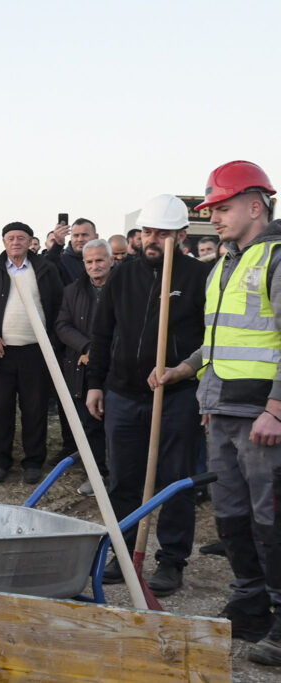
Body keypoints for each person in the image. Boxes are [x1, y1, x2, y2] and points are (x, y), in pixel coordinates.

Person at [155, 161, 281, 663]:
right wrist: (185, 373)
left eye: (223, 208)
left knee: (271, 519)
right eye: (212, 211)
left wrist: (277, 407)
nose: (215, 219)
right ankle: (251, 600)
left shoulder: (274, 258)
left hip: (262, 416)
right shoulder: (226, 263)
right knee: (231, 516)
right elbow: (217, 341)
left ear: (256, 205)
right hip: (223, 409)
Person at [86, 194, 208, 597]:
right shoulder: (124, 276)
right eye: (148, 232)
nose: (153, 240)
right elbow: (102, 333)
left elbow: (211, 340)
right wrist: (96, 384)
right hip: (123, 392)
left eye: (163, 234)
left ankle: (171, 560)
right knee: (124, 478)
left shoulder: (197, 278)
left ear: (182, 235)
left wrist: (187, 376)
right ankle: (122, 553)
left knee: (174, 480)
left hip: (176, 395)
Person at [0, 222, 63, 484]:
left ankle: (33, 461)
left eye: (21, 238)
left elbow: (58, 306)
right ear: (3, 242)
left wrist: (51, 342)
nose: (16, 242)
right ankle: (0, 460)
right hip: (0, 352)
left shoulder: (45, 269)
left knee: (35, 409)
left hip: (36, 351)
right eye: (11, 238)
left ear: (30, 241)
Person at [54, 238, 112, 495]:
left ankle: (124, 475)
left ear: (111, 260)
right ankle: (97, 474)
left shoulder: (125, 287)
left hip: (118, 368)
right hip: (82, 368)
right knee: (89, 425)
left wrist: (100, 352)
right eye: (89, 262)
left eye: (100, 260)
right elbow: (62, 326)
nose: (95, 266)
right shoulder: (72, 290)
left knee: (119, 426)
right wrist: (88, 348)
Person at [46, 218, 98, 286]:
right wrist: (58, 245)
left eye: (84, 235)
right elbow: (46, 269)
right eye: (76, 235)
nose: (80, 239)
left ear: (96, 237)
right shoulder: (61, 262)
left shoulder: (106, 260)